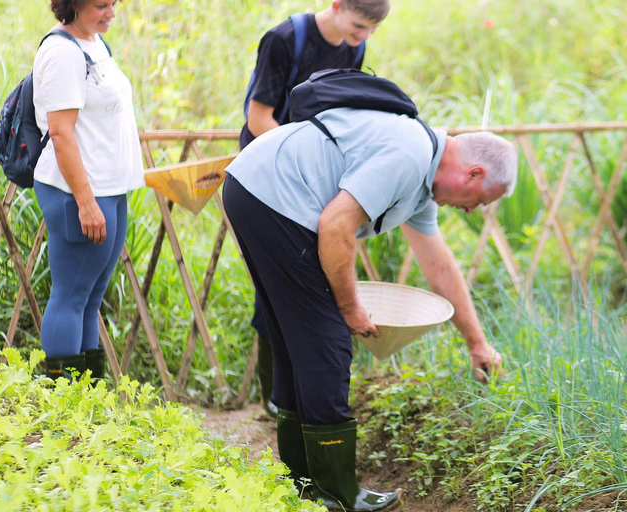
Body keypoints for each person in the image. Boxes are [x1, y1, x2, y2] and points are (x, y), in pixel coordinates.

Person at [222, 107, 517, 511]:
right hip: (275, 194)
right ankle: (336, 494)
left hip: (256, 186)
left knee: (300, 340)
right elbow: (336, 224)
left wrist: (477, 343)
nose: (470, 211)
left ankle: (303, 483)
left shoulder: (421, 180)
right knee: (327, 343)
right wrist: (349, 307)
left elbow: (440, 266)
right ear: (474, 174)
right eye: (479, 202)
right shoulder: (409, 155)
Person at [241, 0, 390, 418]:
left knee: (316, 277)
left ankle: (297, 397)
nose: (363, 38)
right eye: (359, 26)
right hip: (270, 174)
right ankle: (274, 400)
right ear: (337, 5)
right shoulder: (285, 38)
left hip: (321, 179)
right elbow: (258, 118)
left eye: (370, 32)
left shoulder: (353, 46)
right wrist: (302, 162)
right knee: (273, 285)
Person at [32, 0, 144, 380]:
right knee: (71, 293)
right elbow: (62, 135)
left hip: (109, 186)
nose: (111, 11)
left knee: (91, 296)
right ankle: (64, 405)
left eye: (114, 3)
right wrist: (85, 202)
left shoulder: (94, 43)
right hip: (77, 190)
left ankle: (89, 401)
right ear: (74, 5)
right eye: (101, 5)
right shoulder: (63, 53)